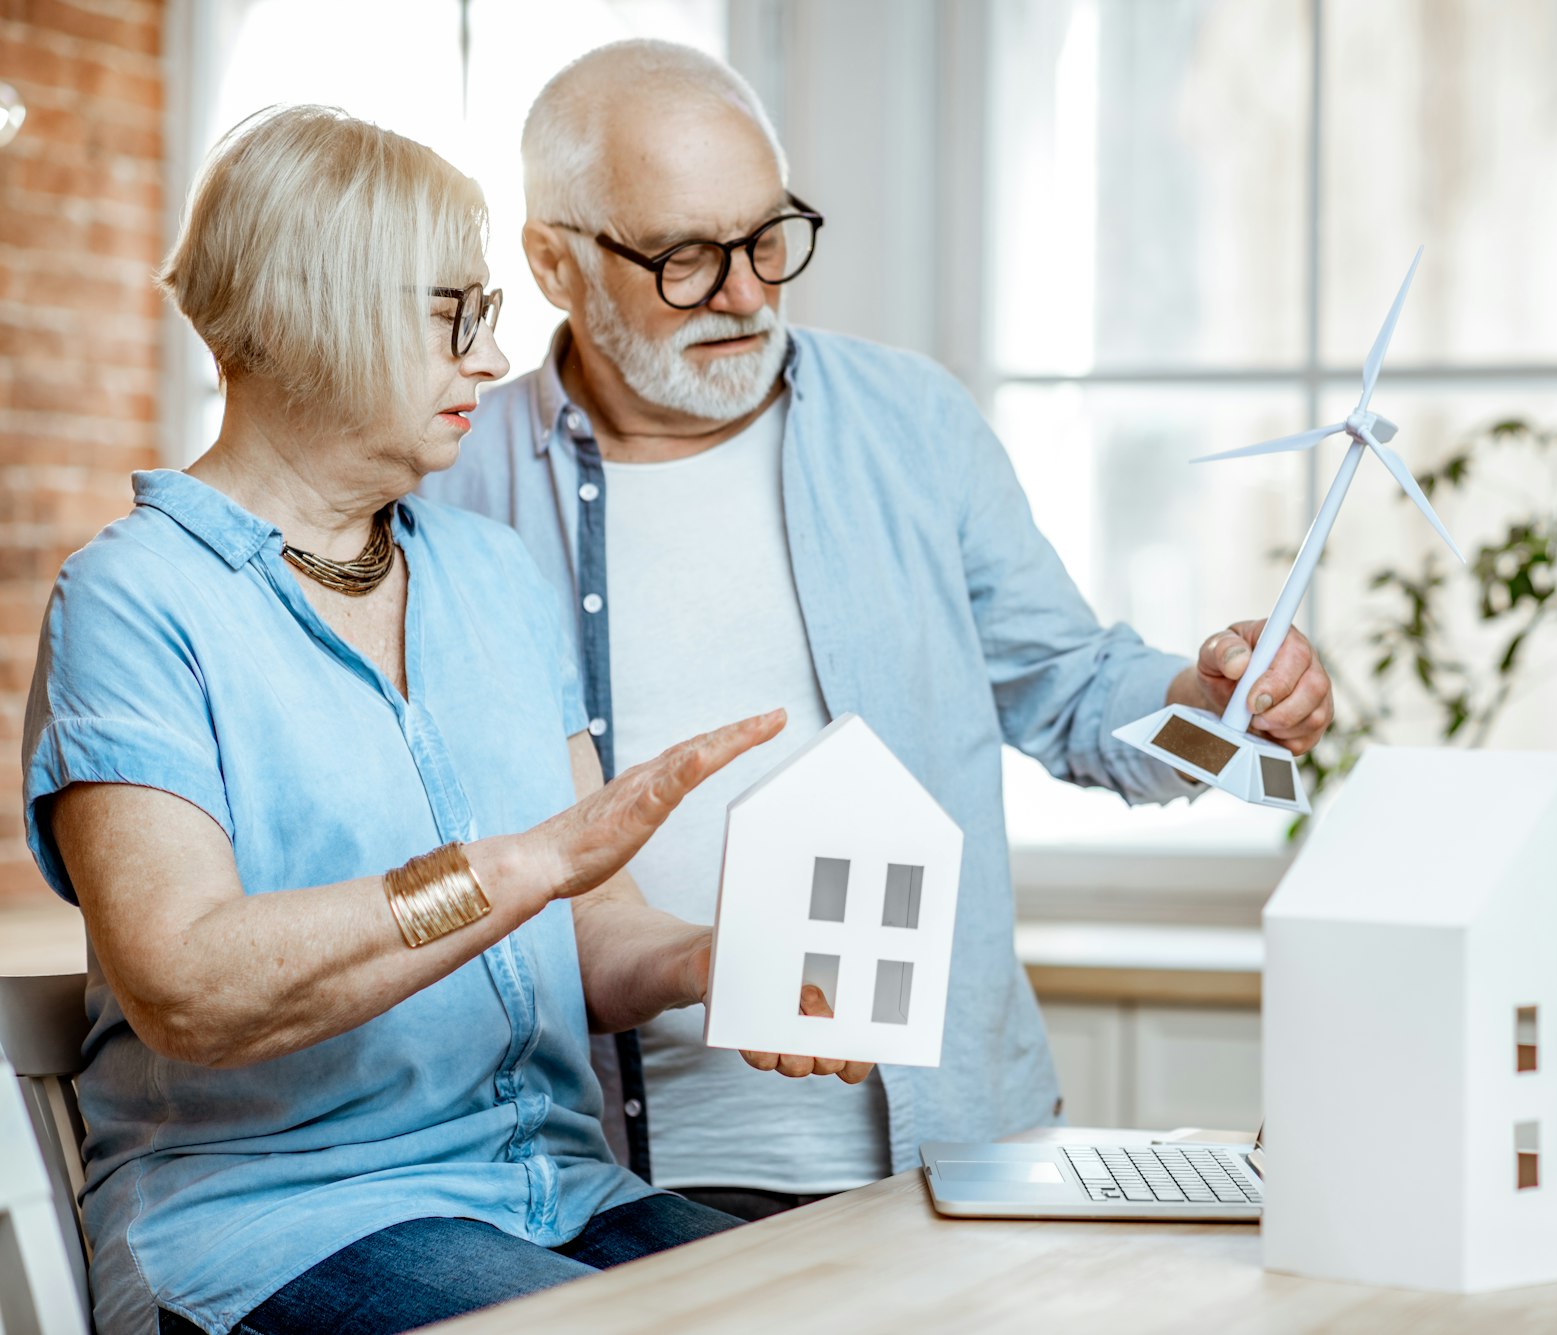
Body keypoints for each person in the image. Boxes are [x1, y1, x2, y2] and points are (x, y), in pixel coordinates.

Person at [421, 40, 1333, 1221]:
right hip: (601, 1180)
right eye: (689, 258)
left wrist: (1217, 706)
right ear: (554, 260)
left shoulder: (911, 422)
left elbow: (1069, 689)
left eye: (767, 238)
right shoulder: (445, 480)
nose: (748, 293)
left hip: (944, 1148)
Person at [20, 105, 864, 1335]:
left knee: (858, 1309)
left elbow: (585, 934)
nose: (489, 357)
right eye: (455, 314)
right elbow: (188, 988)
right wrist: (520, 866)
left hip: (554, 1195)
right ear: (323, 306)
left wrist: (706, 963)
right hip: (281, 1222)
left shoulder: (490, 574)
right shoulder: (135, 599)